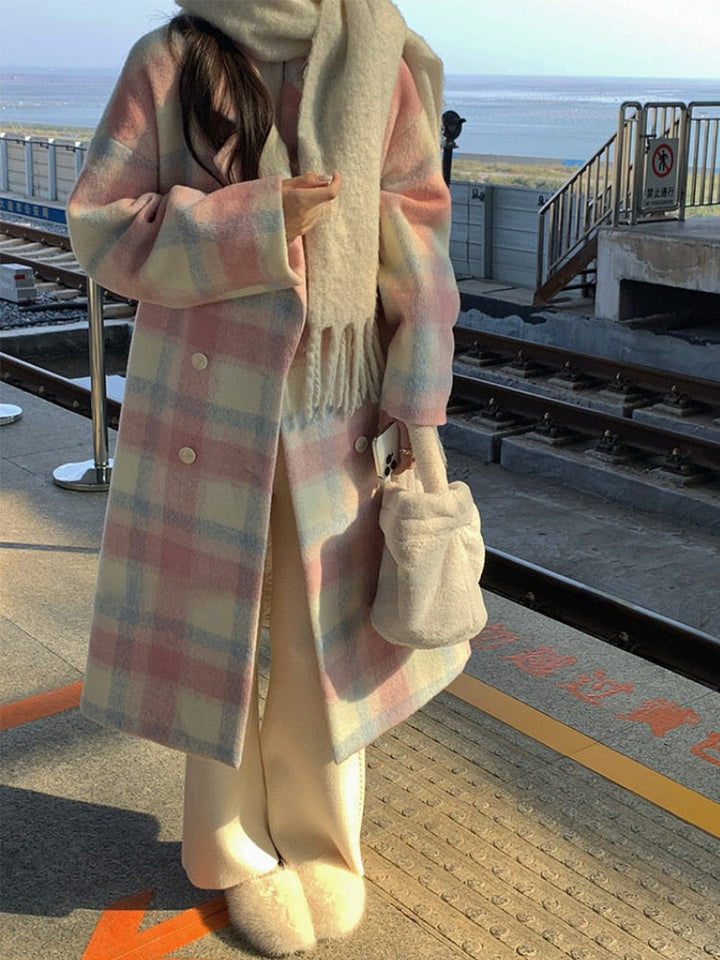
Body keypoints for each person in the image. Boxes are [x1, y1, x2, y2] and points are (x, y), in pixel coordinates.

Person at [67, 1, 470, 955]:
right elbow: (99, 225)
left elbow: (417, 232)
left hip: (337, 399)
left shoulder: (380, 55)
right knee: (217, 631)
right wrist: (259, 220)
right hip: (204, 399)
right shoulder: (171, 58)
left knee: (324, 632)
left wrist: (416, 397)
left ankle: (324, 842)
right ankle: (225, 846)